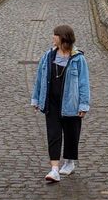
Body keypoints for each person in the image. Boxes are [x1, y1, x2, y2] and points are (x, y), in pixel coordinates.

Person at [31, 24, 90, 182]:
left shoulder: (78, 59)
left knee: (71, 134)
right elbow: (39, 78)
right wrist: (36, 99)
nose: (52, 37)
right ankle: (54, 169)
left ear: (63, 38)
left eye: (55, 35)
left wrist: (83, 105)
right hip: (51, 103)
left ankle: (69, 163)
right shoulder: (48, 56)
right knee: (53, 135)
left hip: (71, 103)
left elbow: (84, 83)